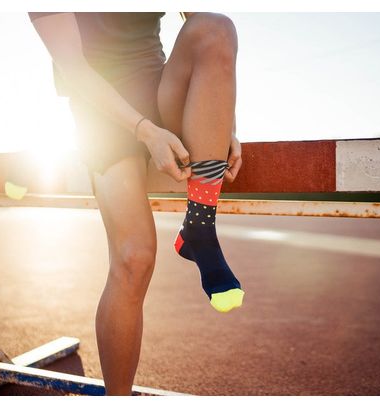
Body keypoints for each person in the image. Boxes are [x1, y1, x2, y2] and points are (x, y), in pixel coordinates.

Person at [28, 12, 244, 395]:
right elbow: (73, 67)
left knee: (215, 27)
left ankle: (199, 227)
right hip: (101, 108)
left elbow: (210, 55)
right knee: (134, 257)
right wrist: (144, 131)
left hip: (161, 89)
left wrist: (226, 125)